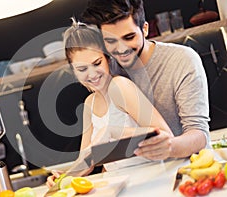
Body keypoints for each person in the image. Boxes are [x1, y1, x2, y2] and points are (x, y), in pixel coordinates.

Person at [46, 18, 174, 188]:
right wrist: (64, 178)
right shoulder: (89, 104)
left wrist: (113, 132)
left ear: (107, 58)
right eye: (82, 69)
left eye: (96, 63)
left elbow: (165, 136)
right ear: (73, 71)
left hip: (150, 181)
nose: (92, 74)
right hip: (116, 186)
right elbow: (87, 161)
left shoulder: (120, 86)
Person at [81, 0, 210, 160]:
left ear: (145, 29)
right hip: (141, 174)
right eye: (111, 41)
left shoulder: (182, 59)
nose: (121, 49)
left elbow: (199, 133)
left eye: (129, 37)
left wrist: (170, 147)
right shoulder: (108, 69)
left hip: (188, 167)